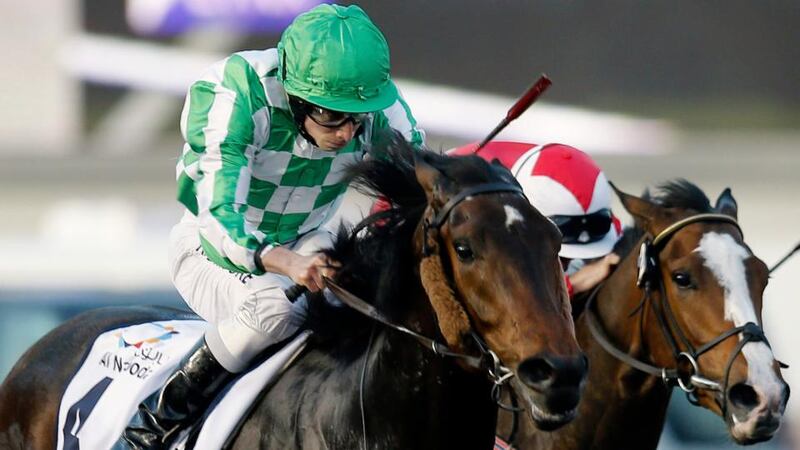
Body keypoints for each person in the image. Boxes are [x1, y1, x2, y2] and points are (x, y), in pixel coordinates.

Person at [117, 4, 424, 448]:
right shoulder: (233, 92)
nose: (345, 134)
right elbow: (220, 213)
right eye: (331, 118)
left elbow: (422, 177)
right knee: (273, 310)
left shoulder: (373, 105)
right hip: (214, 250)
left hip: (310, 243)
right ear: (295, 97)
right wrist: (284, 261)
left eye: (355, 120)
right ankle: (157, 421)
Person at [449, 141, 621, 300]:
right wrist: (573, 283)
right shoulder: (479, 212)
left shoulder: (593, 204)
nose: (566, 265)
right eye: (562, 257)